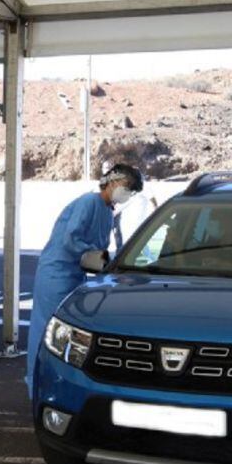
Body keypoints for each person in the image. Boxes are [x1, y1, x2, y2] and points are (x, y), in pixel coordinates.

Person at [26, 163, 144, 394]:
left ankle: (60, 386)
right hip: (57, 273)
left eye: (132, 191)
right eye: (127, 187)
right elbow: (72, 239)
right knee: (47, 330)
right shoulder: (89, 203)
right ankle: (37, 386)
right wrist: (95, 256)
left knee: (68, 335)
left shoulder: (108, 212)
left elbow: (100, 248)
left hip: (74, 275)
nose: (127, 194)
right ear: (113, 181)